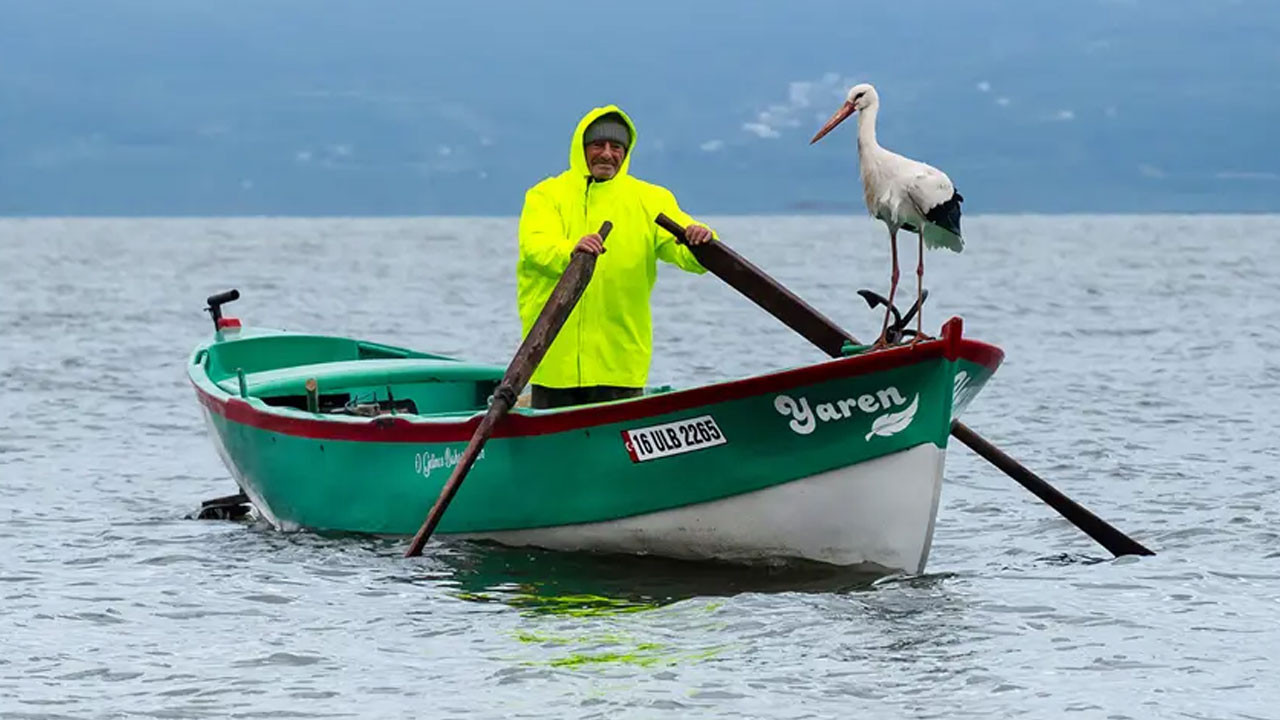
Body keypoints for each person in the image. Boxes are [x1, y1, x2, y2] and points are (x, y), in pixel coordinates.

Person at [517, 104, 715, 409]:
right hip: (553, 358)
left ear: (626, 151)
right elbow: (537, 247)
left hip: (620, 362)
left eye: (616, 146)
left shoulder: (651, 199)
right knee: (553, 429)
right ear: (581, 148)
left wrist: (701, 241)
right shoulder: (545, 196)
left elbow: (685, 253)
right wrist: (571, 252)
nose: (607, 154)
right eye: (598, 145)